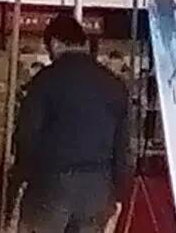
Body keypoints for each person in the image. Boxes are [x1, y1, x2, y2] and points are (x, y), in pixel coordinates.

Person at [12, 13, 130, 233]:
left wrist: (20, 177)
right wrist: (119, 191)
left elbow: (27, 135)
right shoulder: (114, 84)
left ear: (55, 43)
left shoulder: (45, 81)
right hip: (98, 187)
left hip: (51, 184)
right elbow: (123, 145)